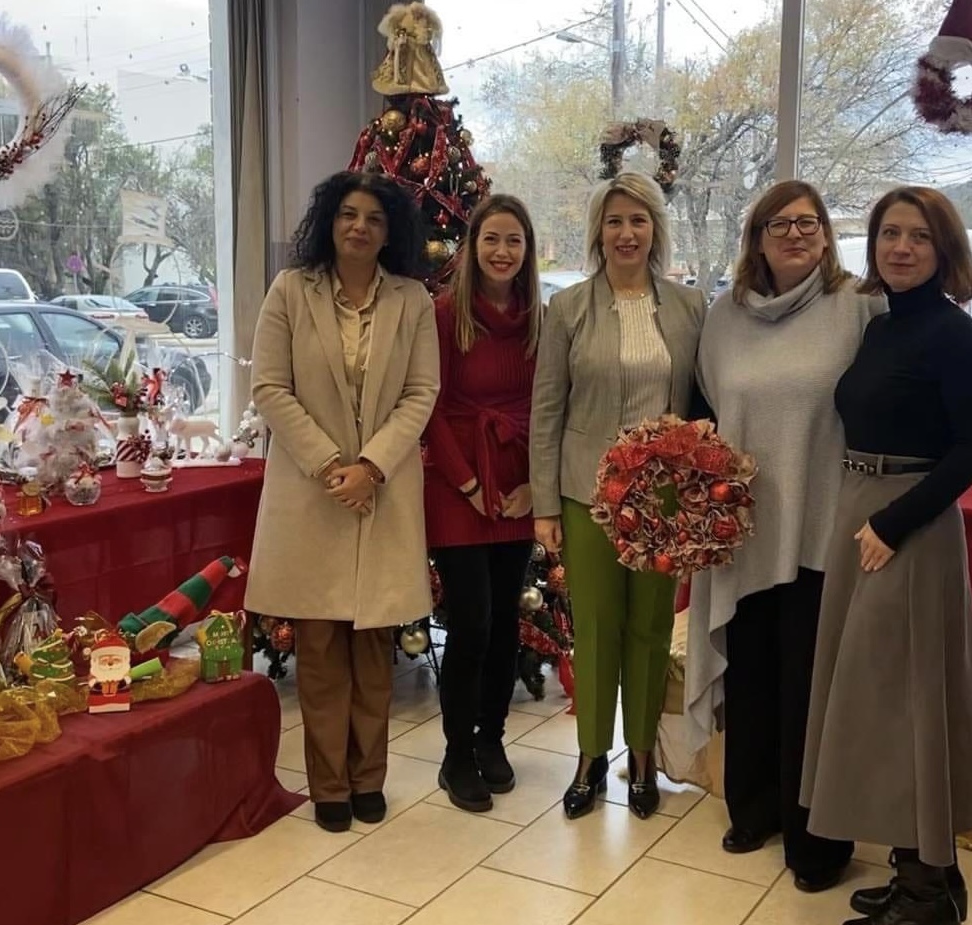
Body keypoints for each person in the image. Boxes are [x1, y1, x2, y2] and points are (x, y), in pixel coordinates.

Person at [799, 186, 972, 925]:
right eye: (889, 234)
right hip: (864, 513)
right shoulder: (882, 326)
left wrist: (894, 521)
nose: (902, 248)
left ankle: (925, 895)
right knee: (878, 702)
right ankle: (926, 874)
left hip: (907, 529)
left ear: (944, 250)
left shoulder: (954, 335)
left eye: (918, 236)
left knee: (903, 705)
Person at [683, 181, 884, 893]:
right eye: (779, 225)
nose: (795, 234)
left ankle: (818, 840)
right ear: (757, 239)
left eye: (808, 223)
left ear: (826, 234)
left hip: (825, 524)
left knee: (811, 689)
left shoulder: (858, 307)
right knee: (752, 676)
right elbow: (703, 412)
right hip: (742, 527)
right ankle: (753, 808)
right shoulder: (724, 316)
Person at [247, 171, 439, 835]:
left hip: (383, 491)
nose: (360, 227)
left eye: (375, 219)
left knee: (374, 650)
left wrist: (372, 466)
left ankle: (368, 779)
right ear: (329, 221)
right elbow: (270, 387)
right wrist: (333, 464)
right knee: (322, 649)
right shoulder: (290, 290)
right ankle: (329, 784)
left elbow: (421, 391)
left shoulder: (412, 300)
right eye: (349, 215)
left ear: (391, 233)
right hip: (312, 491)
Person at [530, 171, 705, 820]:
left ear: (655, 229)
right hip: (586, 493)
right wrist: (545, 505)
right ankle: (589, 757)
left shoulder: (689, 307)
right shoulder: (568, 309)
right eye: (614, 221)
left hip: (661, 498)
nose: (626, 233)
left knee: (651, 628)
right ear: (598, 233)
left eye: (638, 220)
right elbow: (547, 410)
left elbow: (702, 402)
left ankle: (644, 756)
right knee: (597, 627)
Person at [423, 194, 544, 813]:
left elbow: (550, 407)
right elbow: (430, 405)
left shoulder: (539, 319)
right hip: (458, 484)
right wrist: (468, 483)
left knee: (503, 625)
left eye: (514, 240)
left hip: (518, 485)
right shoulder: (446, 315)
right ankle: (456, 755)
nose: (502, 251)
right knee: (471, 621)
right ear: (473, 247)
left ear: (527, 251)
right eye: (492, 239)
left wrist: (536, 487)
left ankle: (491, 738)